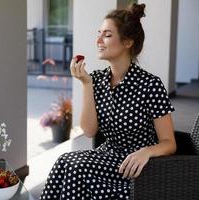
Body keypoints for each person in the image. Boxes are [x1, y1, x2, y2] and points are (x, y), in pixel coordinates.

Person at [39, 3, 177, 200]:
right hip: (107, 157)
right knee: (64, 161)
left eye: (107, 35)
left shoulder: (150, 85)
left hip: (136, 169)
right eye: (99, 33)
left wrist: (146, 152)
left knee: (77, 170)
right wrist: (86, 84)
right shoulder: (96, 79)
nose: (98, 40)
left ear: (127, 42)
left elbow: (169, 143)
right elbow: (89, 131)